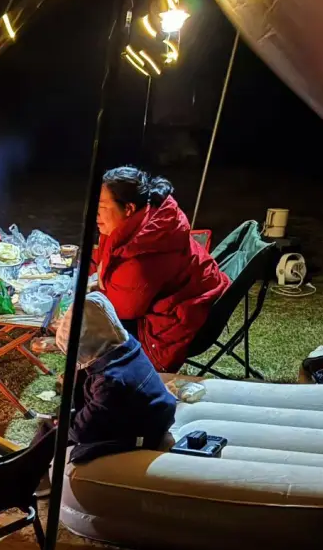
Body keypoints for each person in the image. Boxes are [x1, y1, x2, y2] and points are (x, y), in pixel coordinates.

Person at [95, 166, 229, 372]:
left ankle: (93, 376)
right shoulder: (151, 217)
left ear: (129, 208)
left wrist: (96, 288)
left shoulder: (143, 253)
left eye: (102, 206)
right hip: (190, 295)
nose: (95, 213)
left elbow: (122, 310)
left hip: (172, 326)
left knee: (94, 321)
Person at [55, 292, 176, 464]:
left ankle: (32, 472)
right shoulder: (129, 349)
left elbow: (80, 432)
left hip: (138, 437)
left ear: (83, 346)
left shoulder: (109, 382)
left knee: (55, 431)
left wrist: (64, 418)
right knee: (56, 427)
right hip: (156, 417)